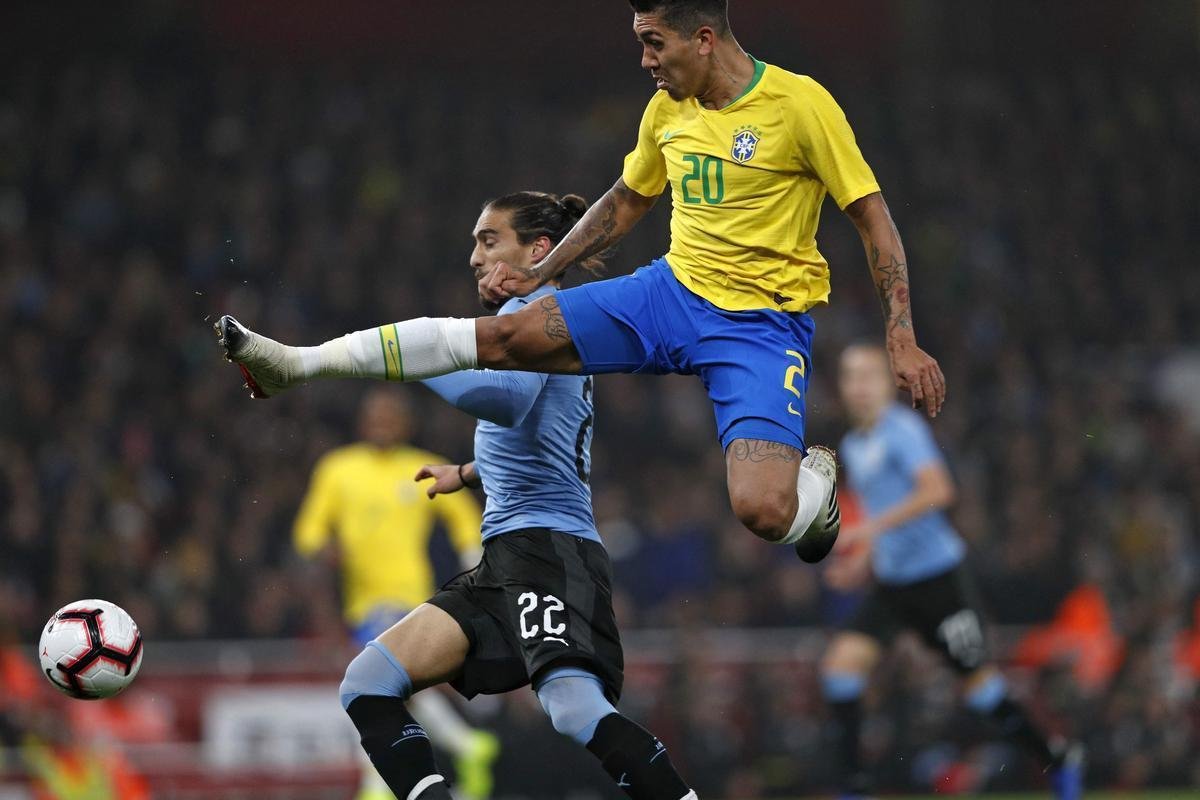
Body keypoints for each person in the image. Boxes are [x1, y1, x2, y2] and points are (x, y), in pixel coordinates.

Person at [216, 0, 946, 565]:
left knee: (762, 511)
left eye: (654, 43)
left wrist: (901, 335)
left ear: (703, 39)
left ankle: (814, 488)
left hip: (759, 327)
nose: (645, 60)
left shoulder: (800, 106)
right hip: (668, 297)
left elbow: (874, 222)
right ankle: (298, 365)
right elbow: (626, 202)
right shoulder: (667, 111)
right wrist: (541, 271)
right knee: (505, 337)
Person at [336, 190, 697, 800]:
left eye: (490, 240)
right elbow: (539, 434)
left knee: (573, 707)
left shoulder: (541, 315)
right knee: (368, 681)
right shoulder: (538, 320)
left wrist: (413, 358)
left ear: (538, 250)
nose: (475, 258)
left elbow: (505, 400)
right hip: (504, 558)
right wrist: (468, 472)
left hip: (550, 550)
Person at [820, 343, 1083, 800]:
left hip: (939, 581)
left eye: (868, 376)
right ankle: (854, 789)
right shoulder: (854, 445)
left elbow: (938, 491)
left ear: (887, 384)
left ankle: (1056, 758)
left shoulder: (902, 430)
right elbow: (886, 512)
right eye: (850, 376)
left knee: (981, 691)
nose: (859, 386)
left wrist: (866, 531)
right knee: (840, 670)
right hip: (893, 585)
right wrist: (863, 560)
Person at [293, 389, 499, 800]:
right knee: (390, 691)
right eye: (376, 414)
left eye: (391, 415)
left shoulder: (420, 467)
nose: (383, 422)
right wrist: (323, 549)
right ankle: (466, 745)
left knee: (370, 688)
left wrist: (475, 564)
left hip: (407, 597)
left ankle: (376, 786)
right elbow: (308, 532)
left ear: (407, 423)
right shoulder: (338, 469)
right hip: (360, 600)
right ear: (361, 420)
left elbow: (464, 519)